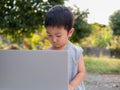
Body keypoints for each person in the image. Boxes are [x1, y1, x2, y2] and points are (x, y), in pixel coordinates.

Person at [44, 5, 86, 90]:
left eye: (58, 35)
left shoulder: (76, 51)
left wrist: (71, 86)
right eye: (49, 35)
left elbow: (82, 73)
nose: (54, 40)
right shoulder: (46, 52)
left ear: (70, 32)